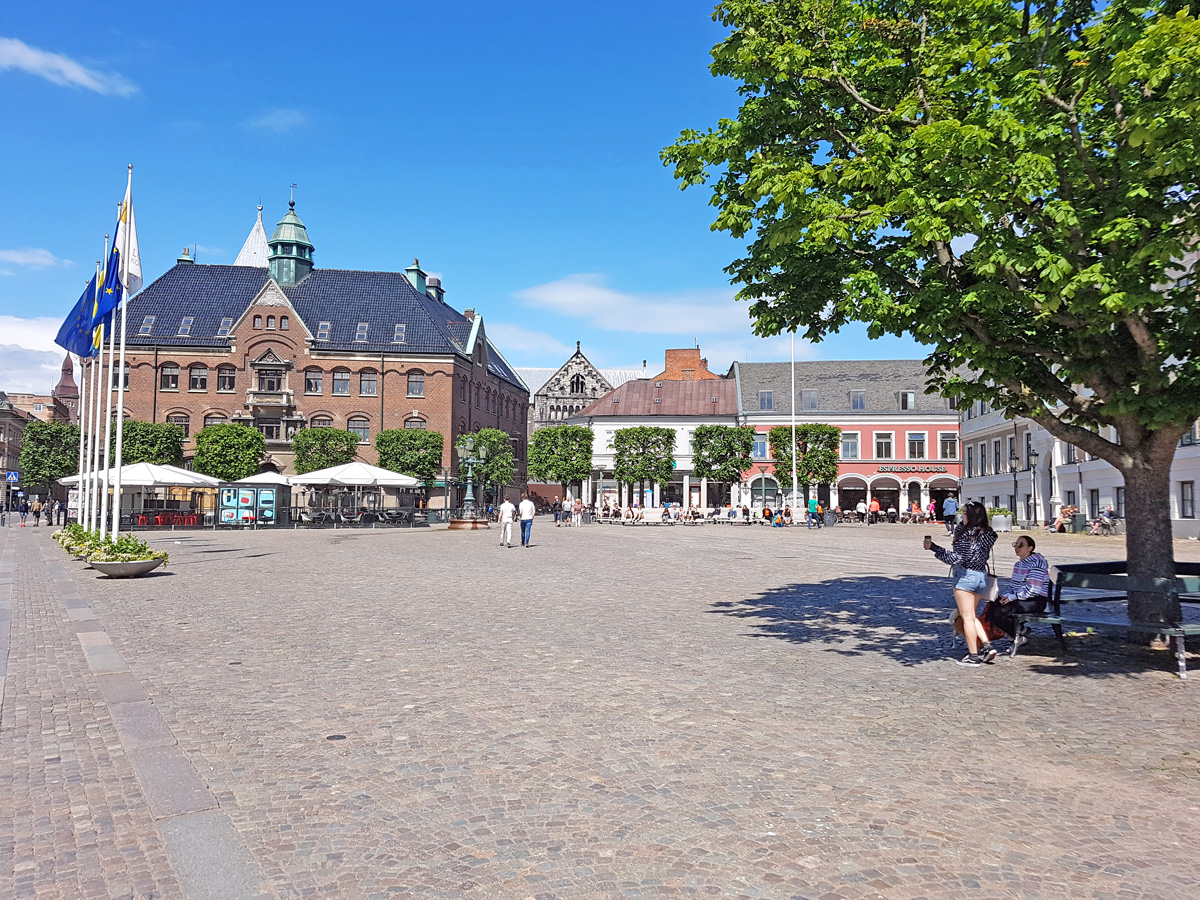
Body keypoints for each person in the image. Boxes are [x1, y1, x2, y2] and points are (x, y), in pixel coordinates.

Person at [925, 500, 1000, 667]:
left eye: (964, 513)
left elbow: (958, 558)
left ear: (971, 515)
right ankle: (987, 646)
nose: (961, 515)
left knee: (966, 618)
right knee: (971, 616)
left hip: (965, 576)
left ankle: (973, 656)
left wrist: (935, 549)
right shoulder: (987, 533)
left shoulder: (966, 534)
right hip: (981, 576)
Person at [983, 535, 1050, 646]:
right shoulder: (1018, 565)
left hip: (1036, 600)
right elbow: (1013, 585)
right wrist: (1007, 596)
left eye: (1021, 545)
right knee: (992, 607)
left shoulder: (1037, 563)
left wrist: (1012, 597)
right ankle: (1019, 633)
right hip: (1020, 598)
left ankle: (1016, 635)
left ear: (1030, 548)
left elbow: (1034, 589)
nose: (1017, 547)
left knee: (1002, 611)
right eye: (1015, 544)